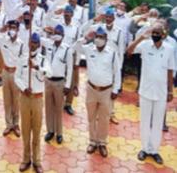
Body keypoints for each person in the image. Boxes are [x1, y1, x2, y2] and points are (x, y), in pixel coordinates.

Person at [127, 23, 174, 165]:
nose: (155, 34)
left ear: (163, 34)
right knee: (145, 122)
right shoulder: (145, 45)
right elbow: (129, 51)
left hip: (161, 92)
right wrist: (141, 37)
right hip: (146, 91)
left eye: (158, 32)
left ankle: (154, 151)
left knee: (158, 123)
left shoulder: (169, 49)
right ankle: (144, 149)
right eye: (154, 32)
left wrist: (170, 90)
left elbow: (170, 70)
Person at [75, 27, 120, 158]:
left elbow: (117, 72)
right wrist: (86, 37)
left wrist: (116, 89)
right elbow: (76, 47)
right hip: (91, 89)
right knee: (91, 117)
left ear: (106, 39)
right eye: (97, 37)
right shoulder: (89, 49)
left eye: (101, 37)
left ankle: (102, 143)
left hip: (106, 90)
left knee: (104, 118)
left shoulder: (112, 53)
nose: (99, 39)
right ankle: (92, 141)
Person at [0, 20, 27, 137]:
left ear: (18, 30)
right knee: (7, 100)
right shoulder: (3, 40)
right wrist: (0, 30)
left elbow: (24, 61)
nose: (12, 30)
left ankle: (16, 124)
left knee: (16, 100)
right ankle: (8, 124)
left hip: (16, 73)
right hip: (5, 72)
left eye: (14, 28)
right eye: (10, 27)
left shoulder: (21, 44)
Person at [15, 33, 44, 173]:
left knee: (37, 130)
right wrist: (24, 88)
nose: (33, 44)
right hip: (25, 98)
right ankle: (26, 159)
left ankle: (37, 160)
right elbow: (17, 77)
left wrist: (37, 67)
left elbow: (48, 73)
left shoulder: (43, 59)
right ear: (28, 43)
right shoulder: (22, 59)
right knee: (26, 130)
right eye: (31, 42)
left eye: (35, 42)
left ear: (39, 45)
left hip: (38, 98)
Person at [43, 25, 73, 145]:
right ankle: (50, 130)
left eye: (59, 33)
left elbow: (70, 68)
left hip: (60, 82)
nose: (57, 34)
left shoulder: (67, 49)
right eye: (55, 32)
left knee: (58, 109)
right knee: (49, 107)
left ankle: (59, 133)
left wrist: (68, 85)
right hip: (48, 81)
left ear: (63, 35)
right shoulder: (48, 44)